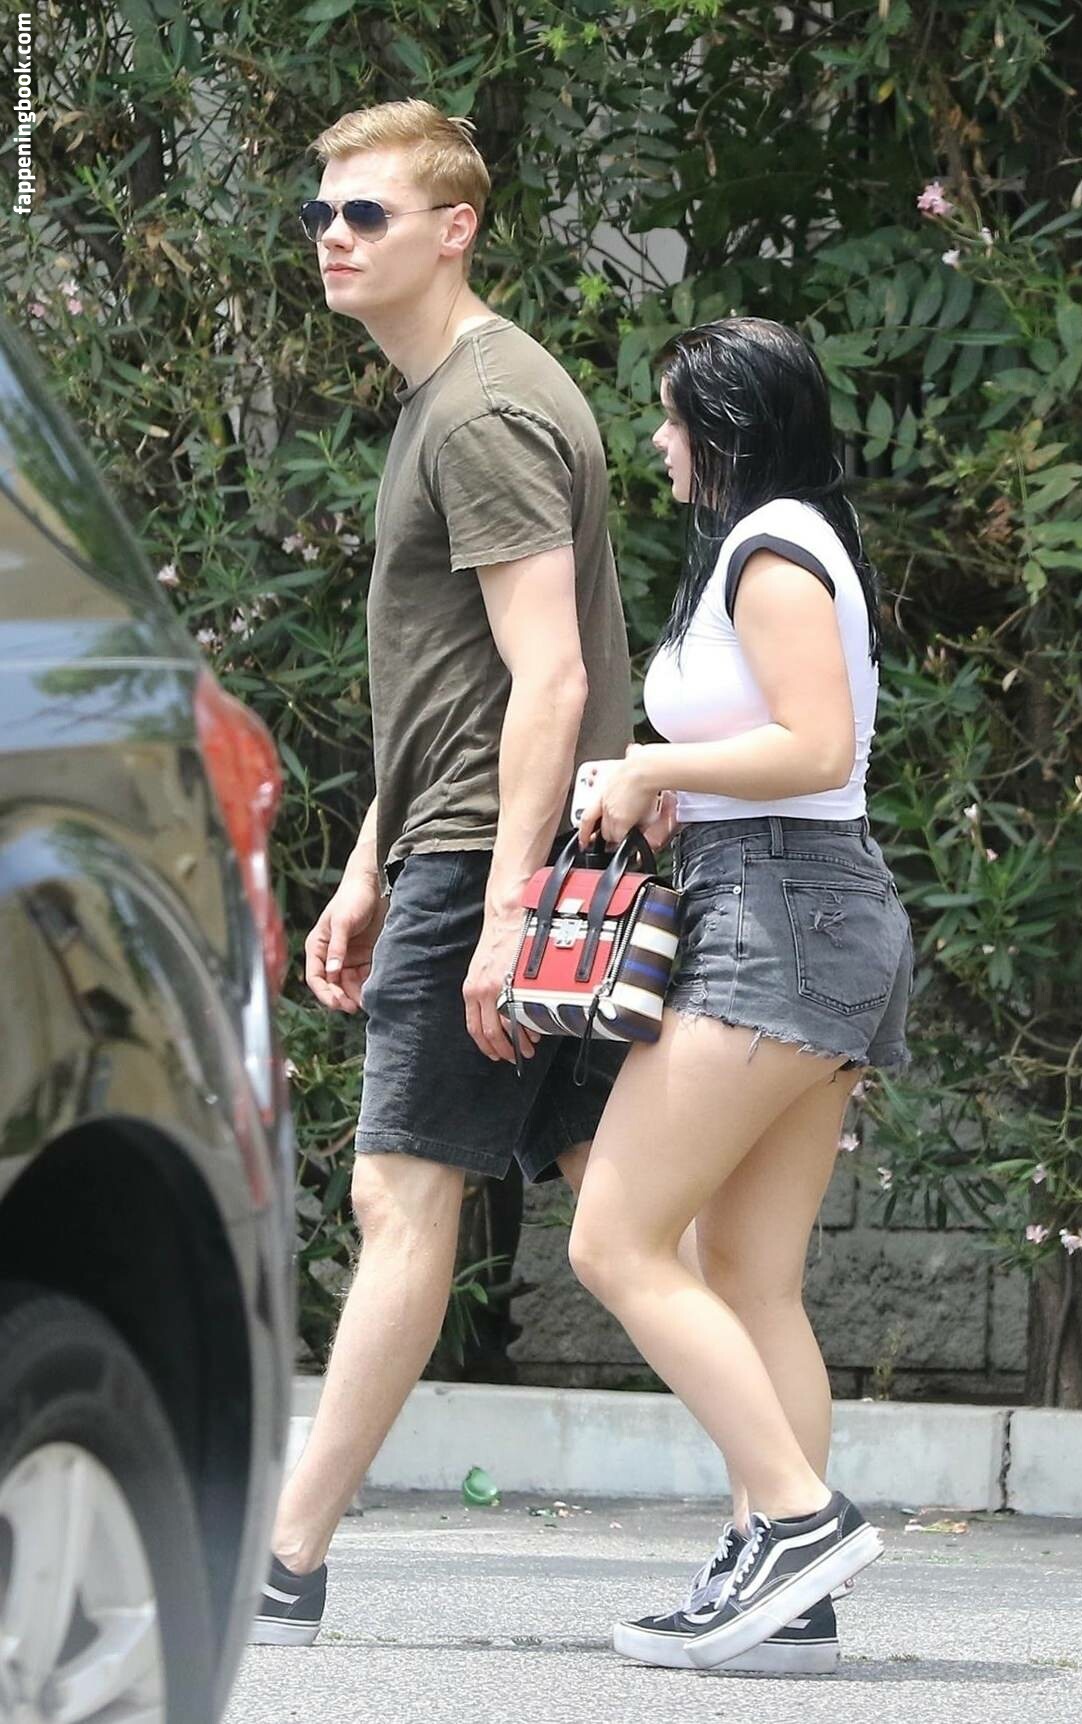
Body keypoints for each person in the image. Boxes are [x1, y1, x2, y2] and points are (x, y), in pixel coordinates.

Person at [251, 99, 632, 1645]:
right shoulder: (453, 398)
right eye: (321, 214)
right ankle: (790, 1514)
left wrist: (496, 906)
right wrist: (368, 867)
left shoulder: (480, 411)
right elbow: (453, 691)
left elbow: (549, 682)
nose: (332, 239)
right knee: (627, 1217)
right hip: (467, 840)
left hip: (494, 851)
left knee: (398, 1192)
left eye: (367, 214)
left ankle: (283, 1558)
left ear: (454, 227)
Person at [571, 318, 914, 1676]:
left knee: (615, 1240)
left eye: (671, 418)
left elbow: (816, 746)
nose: (656, 440)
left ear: (721, 427)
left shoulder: (771, 548)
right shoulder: (787, 540)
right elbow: (799, 753)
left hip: (779, 915)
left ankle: (796, 1521)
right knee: (751, 1277)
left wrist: (653, 768)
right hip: (802, 905)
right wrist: (678, 790)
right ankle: (785, 1595)